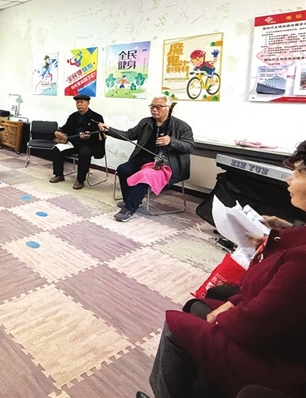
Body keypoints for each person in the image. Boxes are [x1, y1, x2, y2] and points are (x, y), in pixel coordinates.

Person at [138, 140, 306, 398]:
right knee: (200, 305)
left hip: (286, 362)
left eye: (297, 173)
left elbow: (258, 323)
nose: (289, 179)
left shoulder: (301, 262)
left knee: (177, 324)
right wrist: (280, 235)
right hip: (280, 337)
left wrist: (226, 315)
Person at [98, 95, 195, 222]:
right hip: (144, 159)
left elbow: (190, 147)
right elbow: (128, 135)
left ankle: (128, 209)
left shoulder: (182, 126)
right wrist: (109, 130)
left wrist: (171, 141)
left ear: (169, 107)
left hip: (165, 164)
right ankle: (131, 201)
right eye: (152, 106)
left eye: (158, 107)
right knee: (123, 169)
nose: (154, 109)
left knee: (145, 175)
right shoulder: (146, 122)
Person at [48, 94, 105, 190]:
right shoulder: (73, 116)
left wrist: (89, 136)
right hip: (73, 143)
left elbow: (100, 134)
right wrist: (58, 131)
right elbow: (65, 127)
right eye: (77, 102)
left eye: (82, 102)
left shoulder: (96, 117)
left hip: (89, 144)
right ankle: (59, 175)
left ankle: (80, 180)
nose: (79, 104)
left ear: (88, 103)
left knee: (84, 153)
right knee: (57, 149)